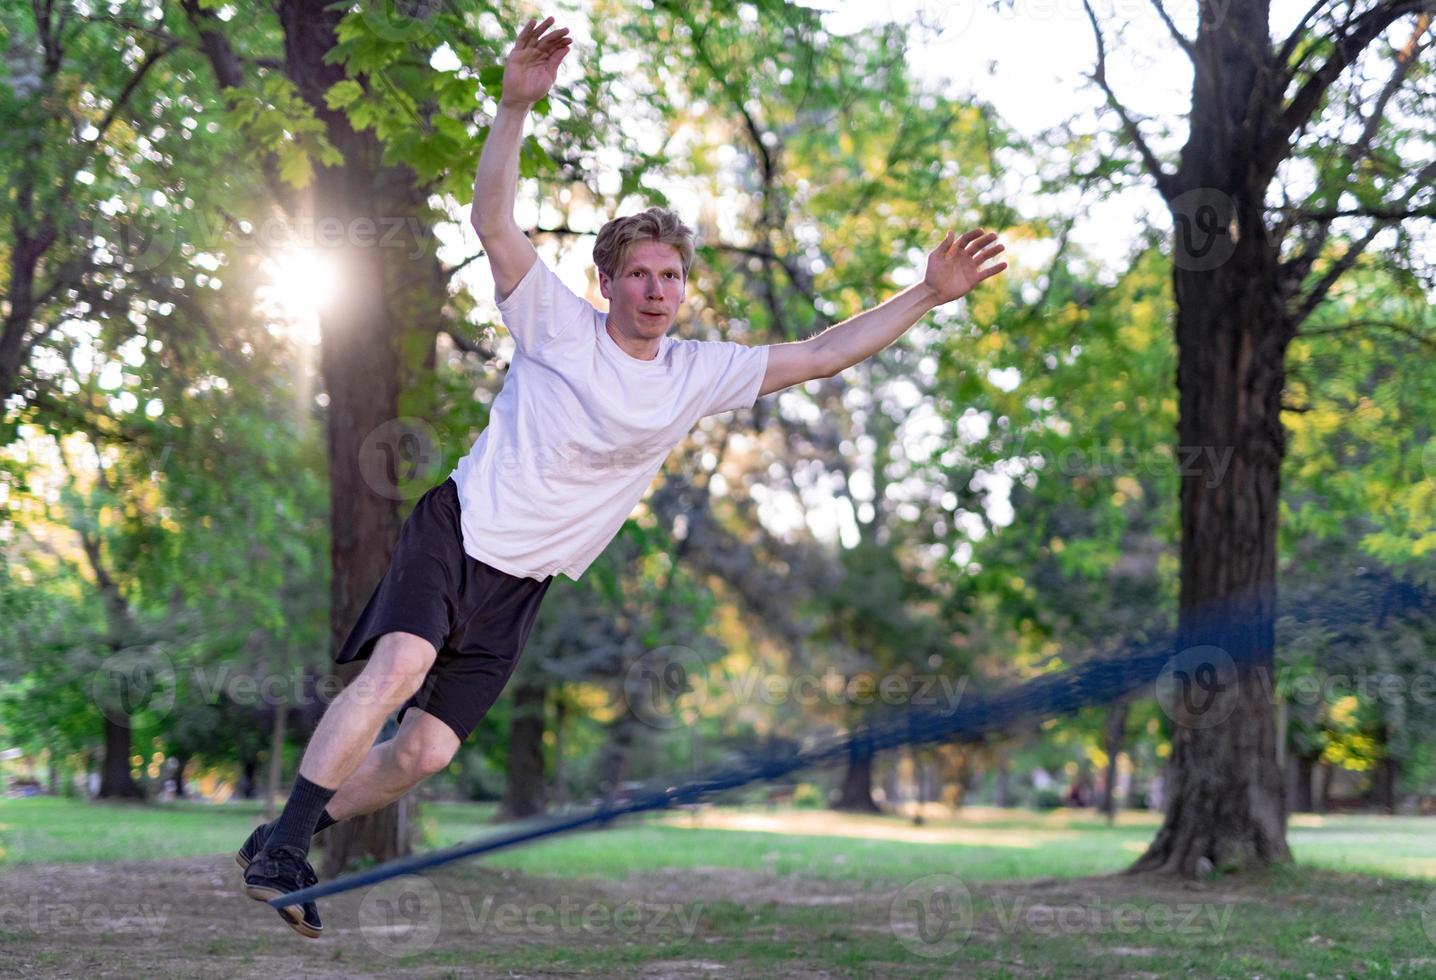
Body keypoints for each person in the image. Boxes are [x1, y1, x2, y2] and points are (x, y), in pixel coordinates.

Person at [239, 15, 1008, 939]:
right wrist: (515, 106)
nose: (655, 288)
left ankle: (283, 832)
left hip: (521, 584)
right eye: (639, 272)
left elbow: (820, 353)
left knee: (422, 759)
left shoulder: (695, 373)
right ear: (606, 282)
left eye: (671, 275)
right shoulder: (553, 322)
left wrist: (927, 294)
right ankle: (287, 850)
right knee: (399, 667)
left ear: (683, 289)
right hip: (459, 529)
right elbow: (492, 220)